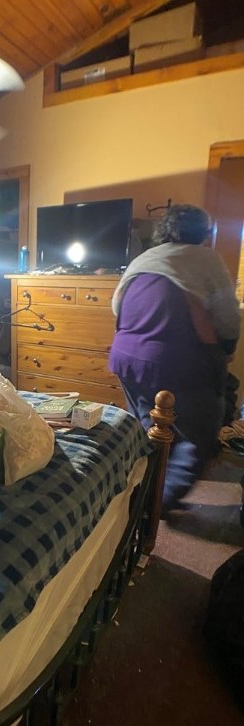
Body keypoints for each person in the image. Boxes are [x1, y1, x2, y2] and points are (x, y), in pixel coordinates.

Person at [109, 203, 240, 511]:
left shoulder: (144, 259)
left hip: (127, 358)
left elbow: (116, 307)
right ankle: (157, 503)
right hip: (177, 361)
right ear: (203, 232)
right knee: (199, 435)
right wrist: (227, 349)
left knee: (149, 430)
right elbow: (228, 318)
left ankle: (144, 491)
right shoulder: (207, 258)